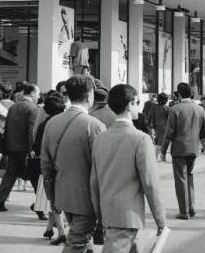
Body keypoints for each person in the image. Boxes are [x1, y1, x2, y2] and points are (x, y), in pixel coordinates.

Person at [91, 84, 166, 251]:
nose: (138, 106)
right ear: (130, 104)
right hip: (128, 215)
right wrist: (161, 220)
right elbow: (151, 184)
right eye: (137, 102)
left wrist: (99, 214)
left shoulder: (101, 138)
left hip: (108, 213)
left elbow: (94, 181)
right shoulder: (141, 139)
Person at [41, 75, 106, 253]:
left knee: (84, 241)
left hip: (62, 193)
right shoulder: (94, 126)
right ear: (90, 94)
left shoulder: (52, 123)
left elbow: (46, 164)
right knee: (77, 243)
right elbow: (102, 167)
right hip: (87, 198)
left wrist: (51, 196)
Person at [164, 82, 205, 220]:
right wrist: (201, 142)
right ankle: (191, 207)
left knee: (180, 179)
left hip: (179, 149)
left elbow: (169, 132)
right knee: (189, 176)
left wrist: (162, 150)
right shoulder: (200, 109)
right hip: (193, 148)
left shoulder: (174, 109)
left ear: (177, 94)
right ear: (191, 94)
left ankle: (184, 211)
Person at [0, 82, 40, 212]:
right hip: (25, 148)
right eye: (37, 94)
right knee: (34, 175)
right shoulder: (33, 108)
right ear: (31, 93)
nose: (38, 96)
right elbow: (32, 131)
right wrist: (32, 148)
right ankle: (41, 204)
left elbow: (7, 127)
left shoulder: (13, 107)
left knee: (10, 174)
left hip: (12, 147)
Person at [33, 91, 67, 246]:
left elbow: (37, 145)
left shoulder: (43, 125)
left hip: (47, 165)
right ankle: (49, 228)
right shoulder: (66, 122)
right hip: (64, 164)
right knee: (54, 199)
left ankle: (61, 232)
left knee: (51, 199)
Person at [148, 92, 170, 161]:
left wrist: (150, 125)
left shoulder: (154, 107)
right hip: (165, 127)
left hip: (156, 126)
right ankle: (158, 156)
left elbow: (150, 116)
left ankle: (158, 156)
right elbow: (169, 118)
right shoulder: (166, 108)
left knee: (158, 141)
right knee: (162, 142)